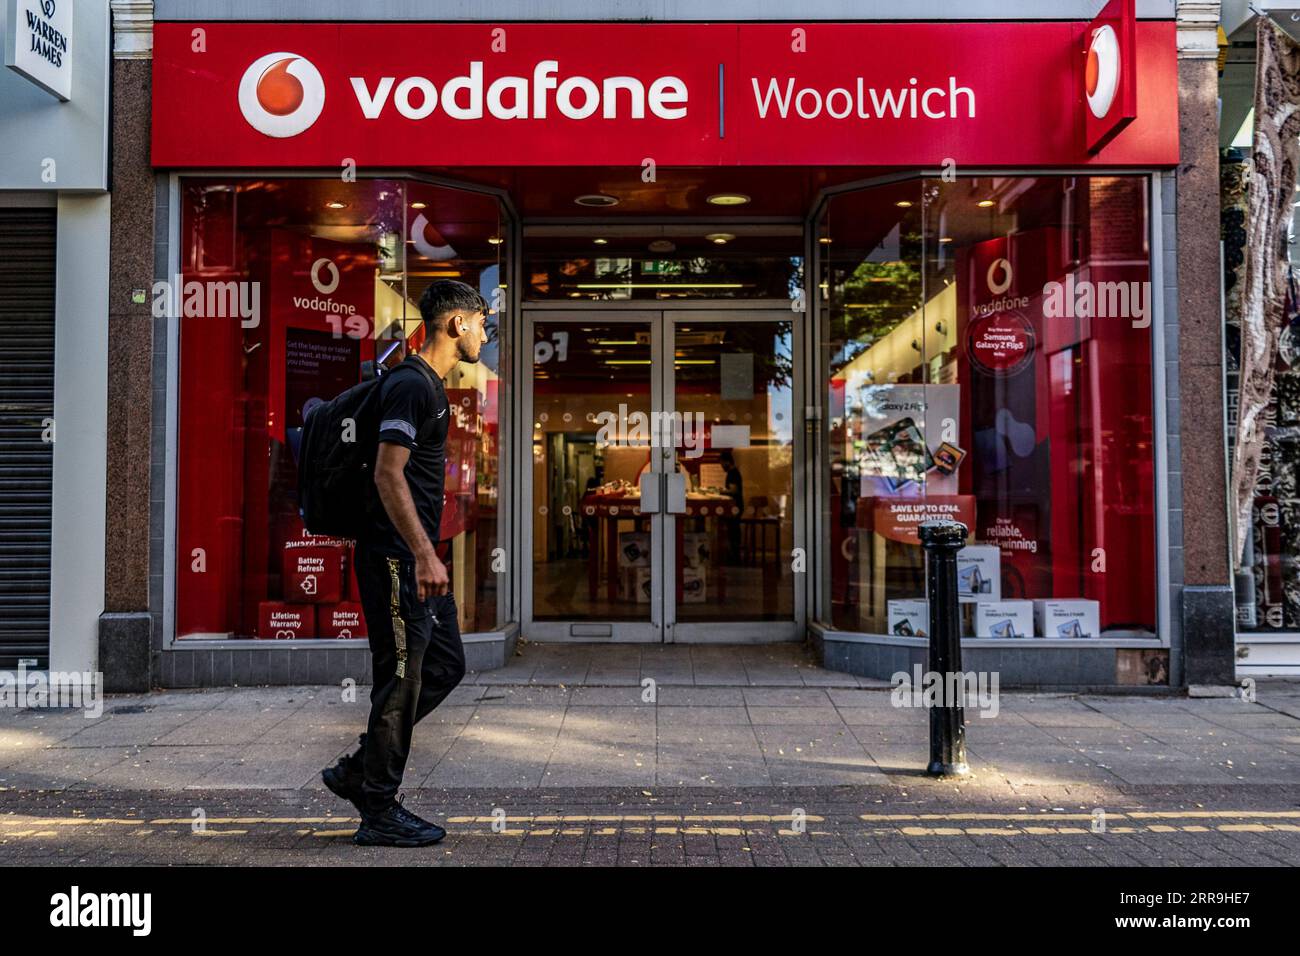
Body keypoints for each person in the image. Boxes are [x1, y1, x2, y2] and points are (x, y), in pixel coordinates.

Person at [321, 279, 489, 848]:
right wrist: (422, 553)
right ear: (456, 324)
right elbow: (387, 474)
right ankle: (378, 807)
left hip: (415, 560)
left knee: (442, 667)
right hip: (396, 560)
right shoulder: (412, 386)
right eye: (482, 323)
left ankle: (357, 771)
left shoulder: (429, 387)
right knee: (399, 680)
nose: (484, 335)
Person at [719, 449, 744, 563]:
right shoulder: (734, 472)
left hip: (735, 507)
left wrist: (721, 492)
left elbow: (734, 490)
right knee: (734, 531)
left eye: (722, 463)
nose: (721, 466)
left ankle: (735, 556)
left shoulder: (732, 473)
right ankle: (735, 555)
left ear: (727, 461)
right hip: (737, 506)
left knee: (733, 531)